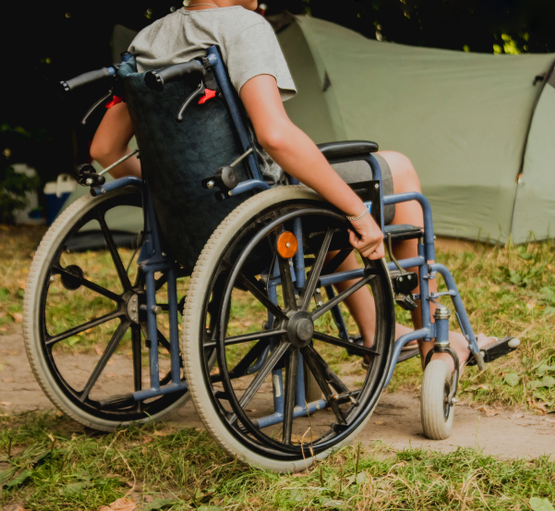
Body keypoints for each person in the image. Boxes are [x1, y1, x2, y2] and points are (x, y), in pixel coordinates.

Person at [89, 0, 509, 375]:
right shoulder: (243, 27)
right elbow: (275, 136)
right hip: (261, 217)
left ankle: (374, 330)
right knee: (397, 172)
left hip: (190, 230)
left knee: (323, 199)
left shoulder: (147, 41)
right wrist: (358, 213)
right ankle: (430, 340)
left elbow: (105, 148)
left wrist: (178, 189)